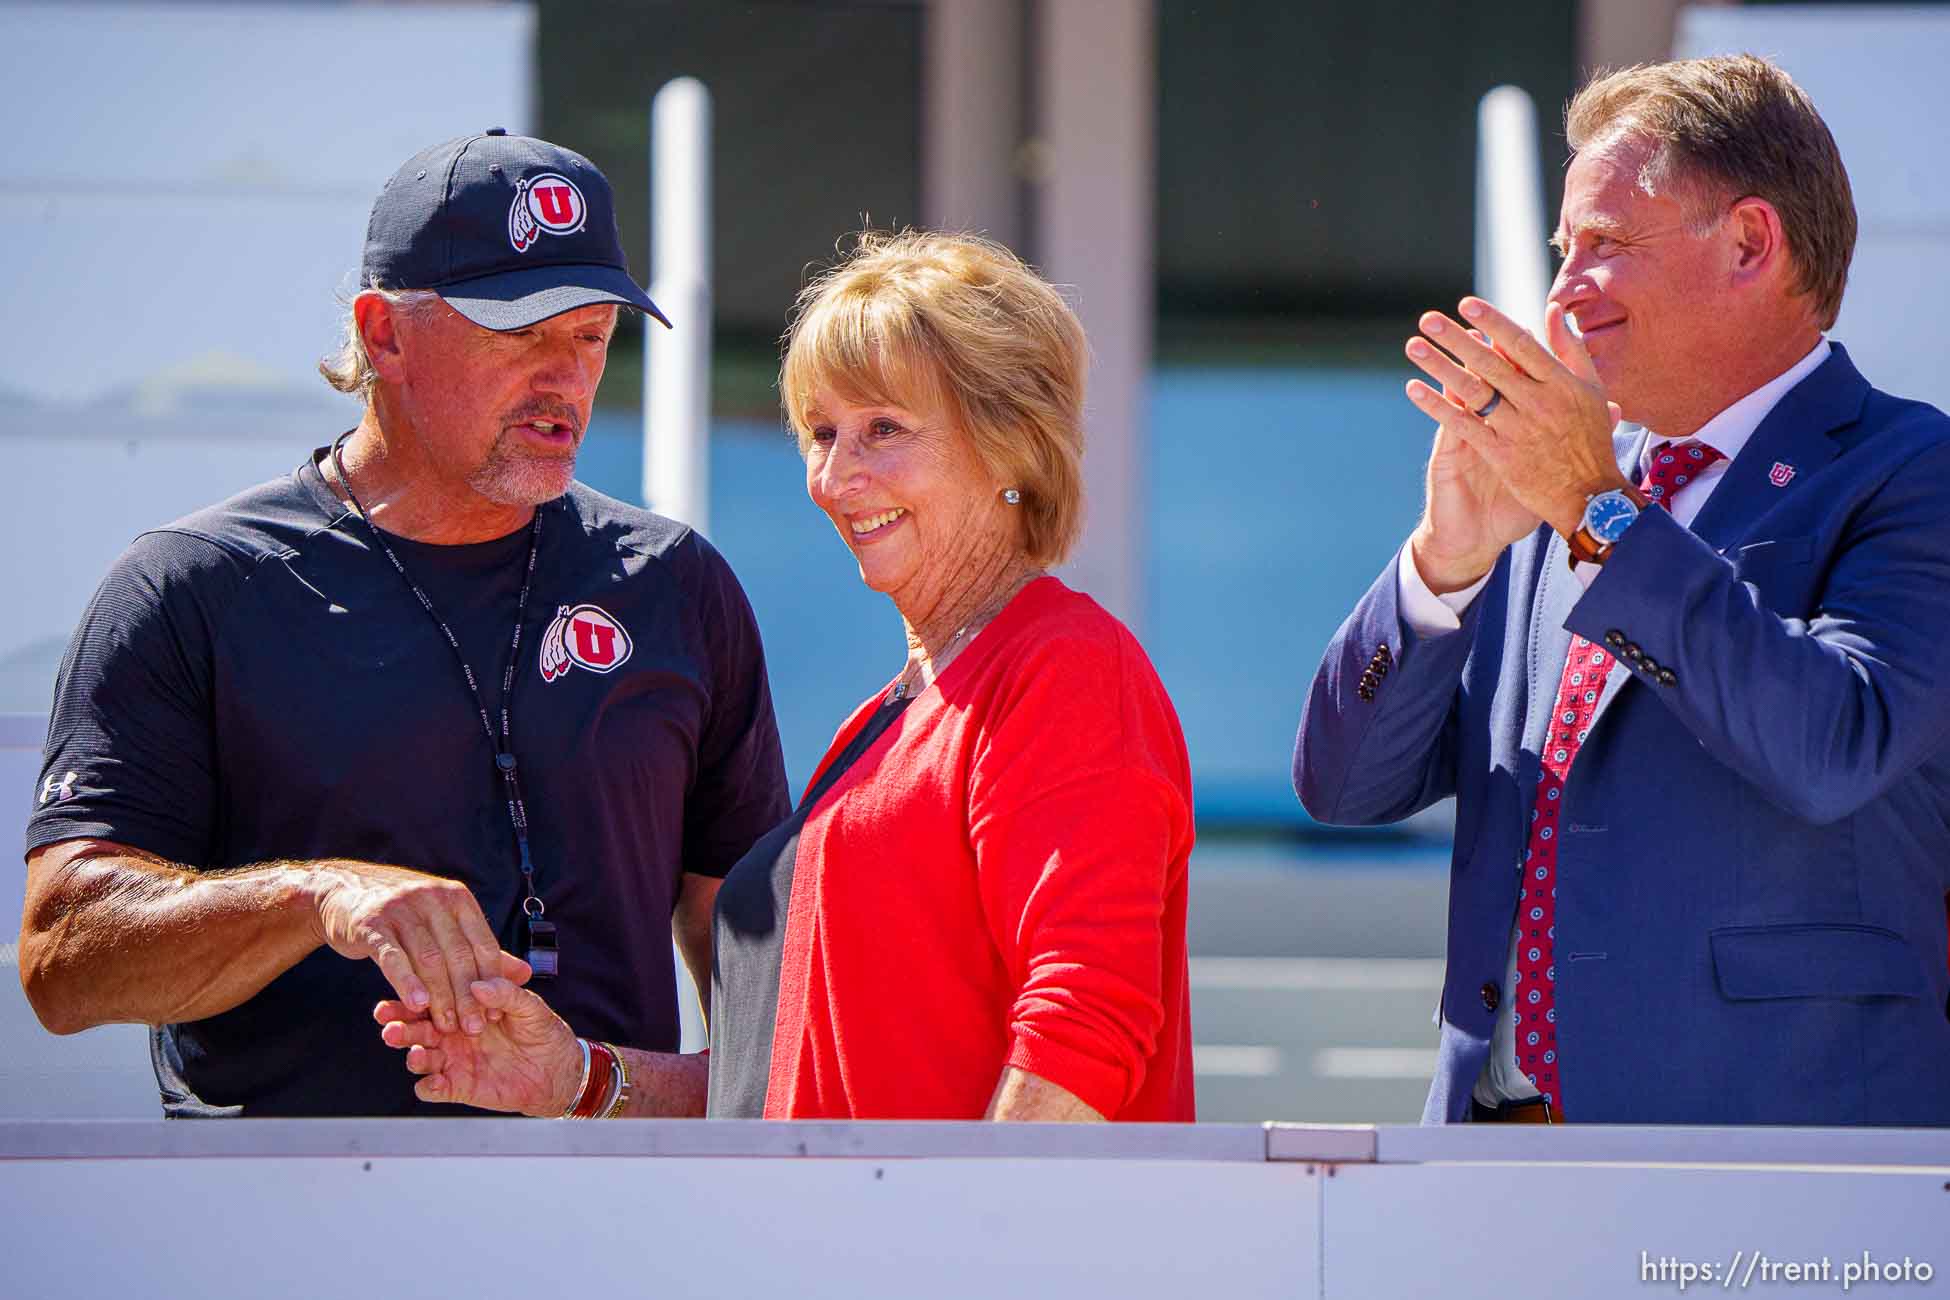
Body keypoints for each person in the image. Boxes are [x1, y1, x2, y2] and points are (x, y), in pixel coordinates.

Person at [20, 130, 790, 1116]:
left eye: (592, 336)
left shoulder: (676, 584)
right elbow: (61, 960)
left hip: (606, 1233)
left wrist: (602, 1086)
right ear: (383, 334)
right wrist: (314, 897)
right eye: (520, 333)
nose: (566, 378)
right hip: (278, 1235)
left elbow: (776, 1012)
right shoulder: (195, 586)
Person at [376, 231, 1197, 1122]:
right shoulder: (887, 720)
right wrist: (575, 1078)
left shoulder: (1061, 667)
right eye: (821, 433)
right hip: (826, 1246)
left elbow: (1083, 1035)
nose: (836, 477)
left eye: (884, 429)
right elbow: (782, 1093)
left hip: (951, 1256)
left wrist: (969, 1250)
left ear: (1010, 445)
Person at [1294, 55, 1950, 1126]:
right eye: (1563, 250)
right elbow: (1344, 787)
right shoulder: (1566, 485)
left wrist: (1602, 514)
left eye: (1605, 246)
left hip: (1780, 1156)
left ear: (1750, 243)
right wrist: (1441, 564)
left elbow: (1836, 748)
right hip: (1500, 1156)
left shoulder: (1907, 469)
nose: (1563, 290)